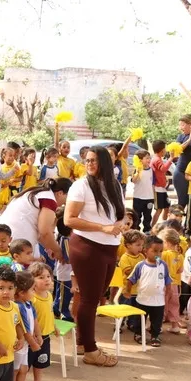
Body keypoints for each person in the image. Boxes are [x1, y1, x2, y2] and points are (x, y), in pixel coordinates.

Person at [64, 146, 125, 367]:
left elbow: (119, 212)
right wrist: (102, 228)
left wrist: (121, 223)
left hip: (110, 247)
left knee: (97, 296)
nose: (89, 164)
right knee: (89, 299)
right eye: (87, 160)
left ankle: (83, 341)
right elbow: (69, 219)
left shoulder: (114, 184)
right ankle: (90, 350)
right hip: (88, 246)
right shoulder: (80, 186)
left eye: (94, 160)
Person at [0, 178, 71, 261]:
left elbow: (42, 234)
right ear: (60, 193)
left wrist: (50, 248)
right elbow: (44, 232)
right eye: (68, 197)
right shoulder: (49, 199)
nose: (67, 202)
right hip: (16, 241)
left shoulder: (37, 192)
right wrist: (58, 251)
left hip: (3, 236)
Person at [124, 235, 169, 347]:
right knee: (140, 319)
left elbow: (168, 281)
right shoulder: (140, 266)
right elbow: (130, 279)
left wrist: (168, 295)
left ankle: (155, 336)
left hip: (158, 301)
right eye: (155, 251)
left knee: (157, 321)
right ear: (146, 250)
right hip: (142, 300)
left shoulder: (163, 266)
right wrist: (128, 291)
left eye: (160, 251)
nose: (158, 254)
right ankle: (138, 334)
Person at [11, 270, 39, 381]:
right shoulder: (19, 306)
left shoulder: (28, 304)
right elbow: (24, 328)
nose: (34, 292)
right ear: (21, 292)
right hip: (20, 343)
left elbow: (34, 320)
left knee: (24, 368)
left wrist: (38, 335)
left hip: (27, 344)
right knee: (15, 370)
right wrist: (34, 343)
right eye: (32, 289)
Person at [28, 262, 55, 381]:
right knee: (25, 365)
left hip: (46, 336)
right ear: (32, 282)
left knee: (40, 362)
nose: (46, 279)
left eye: (48, 276)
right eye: (41, 277)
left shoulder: (49, 295)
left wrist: (54, 326)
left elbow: (50, 313)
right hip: (32, 337)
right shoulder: (32, 299)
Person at [159, 228, 183, 334]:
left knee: (161, 304)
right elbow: (180, 270)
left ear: (166, 242)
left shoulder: (164, 254)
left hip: (164, 283)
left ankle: (158, 325)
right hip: (175, 284)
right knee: (174, 305)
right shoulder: (180, 256)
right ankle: (175, 325)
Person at [131, 150, 155, 232]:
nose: (149, 160)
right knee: (136, 216)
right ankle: (136, 230)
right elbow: (134, 180)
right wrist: (138, 171)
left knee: (148, 216)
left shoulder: (152, 170)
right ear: (140, 160)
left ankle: (147, 230)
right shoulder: (137, 170)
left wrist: (154, 197)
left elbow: (153, 184)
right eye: (147, 158)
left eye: (149, 158)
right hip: (138, 198)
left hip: (149, 198)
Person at [149, 141, 173, 227]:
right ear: (162, 150)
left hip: (161, 188)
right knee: (159, 209)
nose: (166, 150)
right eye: (165, 149)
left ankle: (163, 225)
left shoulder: (158, 158)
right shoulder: (156, 159)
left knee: (166, 207)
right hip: (157, 188)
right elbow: (163, 169)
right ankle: (152, 227)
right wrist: (171, 159)